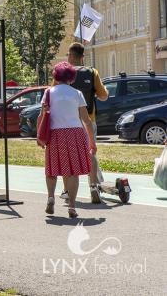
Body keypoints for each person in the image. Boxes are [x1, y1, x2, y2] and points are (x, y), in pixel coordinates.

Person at [38, 62, 96, 219]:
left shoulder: (49, 92)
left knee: (52, 169)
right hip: (74, 134)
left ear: (56, 76)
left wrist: (39, 137)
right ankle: (71, 206)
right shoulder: (76, 94)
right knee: (72, 172)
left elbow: (42, 115)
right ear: (71, 77)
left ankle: (51, 197)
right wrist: (92, 141)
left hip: (54, 134)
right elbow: (86, 120)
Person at [67, 42, 109, 204]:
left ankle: (67, 191)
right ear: (82, 57)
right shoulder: (92, 72)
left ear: (70, 55)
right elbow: (104, 95)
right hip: (88, 120)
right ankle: (94, 186)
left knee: (70, 156)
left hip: (68, 122)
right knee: (91, 151)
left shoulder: (63, 73)